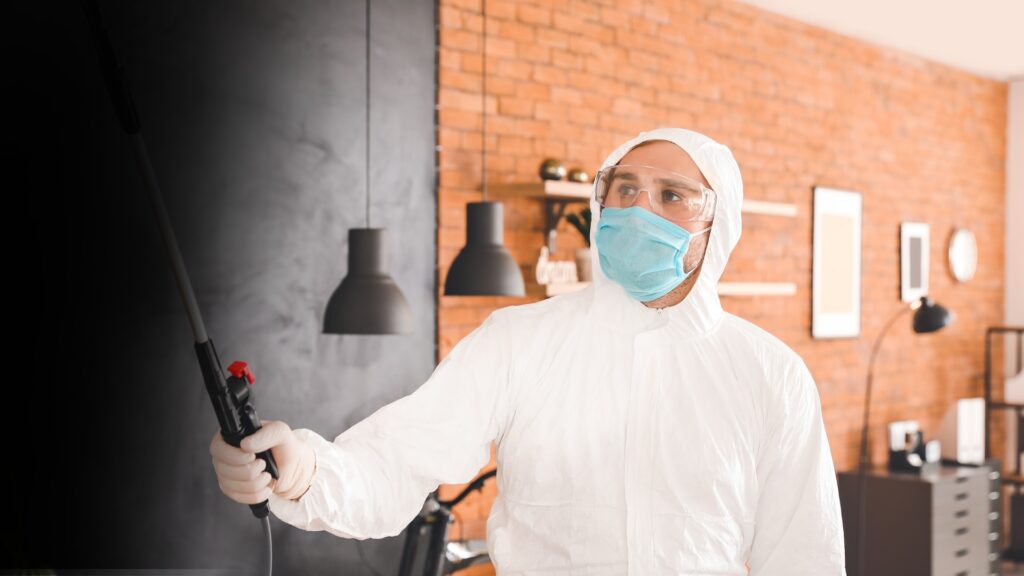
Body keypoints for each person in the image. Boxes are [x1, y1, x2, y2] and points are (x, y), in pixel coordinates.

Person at [210, 127, 847, 575]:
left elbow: (804, 556)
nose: (639, 209)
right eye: (625, 189)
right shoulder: (520, 341)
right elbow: (397, 459)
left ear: (717, 227)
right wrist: (304, 470)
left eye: (672, 196)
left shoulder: (770, 376)